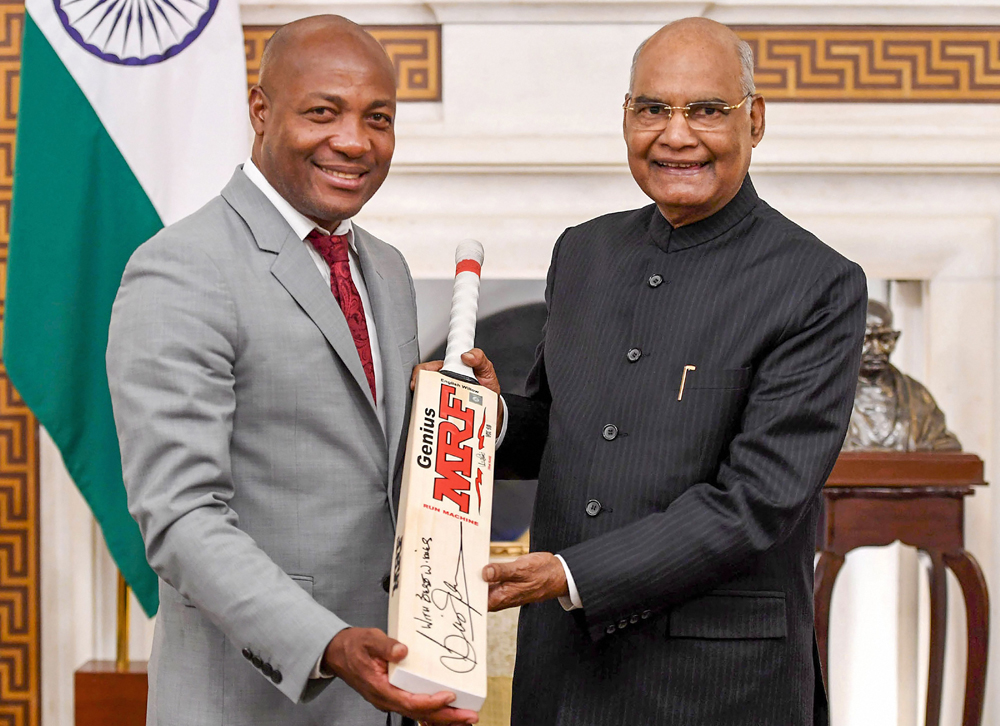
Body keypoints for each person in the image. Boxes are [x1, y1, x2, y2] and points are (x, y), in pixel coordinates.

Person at [454, 17, 867, 726]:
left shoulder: (818, 284)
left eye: (706, 110)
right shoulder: (583, 252)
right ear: (626, 118)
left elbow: (756, 503)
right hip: (562, 676)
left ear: (755, 120)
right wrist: (488, 419)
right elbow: (562, 427)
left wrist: (570, 573)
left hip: (716, 687)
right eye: (652, 109)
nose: (676, 136)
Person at [107, 16, 477, 726]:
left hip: (387, 698)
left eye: (379, 118)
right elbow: (180, 515)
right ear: (260, 111)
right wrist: (327, 643)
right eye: (322, 112)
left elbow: (380, 477)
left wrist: (465, 417)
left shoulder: (387, 269)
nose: (354, 141)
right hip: (251, 703)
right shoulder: (181, 269)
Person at [843, 299, 960, 451]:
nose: (877, 350)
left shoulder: (918, 396)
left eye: (885, 339)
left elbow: (946, 446)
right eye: (866, 340)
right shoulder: (824, 395)